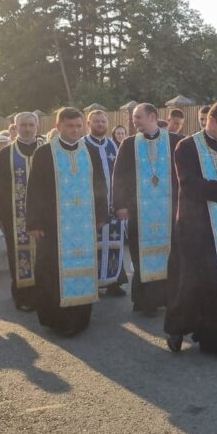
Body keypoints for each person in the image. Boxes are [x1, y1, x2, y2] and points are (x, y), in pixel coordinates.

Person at [165, 102, 217, 355]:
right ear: (211, 121)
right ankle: (176, 329)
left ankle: (212, 339)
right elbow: (188, 185)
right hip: (194, 228)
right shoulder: (186, 147)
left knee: (215, 285)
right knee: (189, 284)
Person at [25, 107, 108, 336]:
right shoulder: (44, 153)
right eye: (70, 126)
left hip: (84, 225)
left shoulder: (89, 151)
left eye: (78, 126)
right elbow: (35, 190)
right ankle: (57, 319)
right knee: (53, 272)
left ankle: (80, 318)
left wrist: (101, 215)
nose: (75, 130)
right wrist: (34, 223)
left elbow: (100, 184)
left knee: (82, 268)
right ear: (58, 126)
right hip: (53, 225)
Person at [113, 103, 183, 316]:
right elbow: (120, 176)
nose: (134, 122)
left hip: (170, 211)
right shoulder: (129, 143)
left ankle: (169, 298)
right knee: (140, 255)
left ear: (152, 116)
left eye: (138, 117)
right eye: (134, 118)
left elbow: (183, 176)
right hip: (139, 211)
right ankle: (145, 301)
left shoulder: (175, 141)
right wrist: (120, 205)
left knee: (171, 255)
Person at [0, 112, 42, 311]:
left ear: (37, 126)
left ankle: (44, 294)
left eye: (31, 125)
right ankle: (23, 298)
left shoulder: (47, 150)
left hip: (43, 215)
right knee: (19, 256)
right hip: (14, 215)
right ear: (15, 127)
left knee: (44, 255)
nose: (28, 128)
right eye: (23, 125)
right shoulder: (6, 153)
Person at [85, 109, 127, 297]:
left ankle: (113, 282)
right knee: (93, 245)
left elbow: (122, 176)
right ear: (89, 123)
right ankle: (92, 282)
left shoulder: (114, 145)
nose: (100, 124)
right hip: (92, 207)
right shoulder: (82, 145)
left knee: (114, 244)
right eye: (96, 121)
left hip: (114, 205)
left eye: (103, 121)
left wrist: (122, 203)